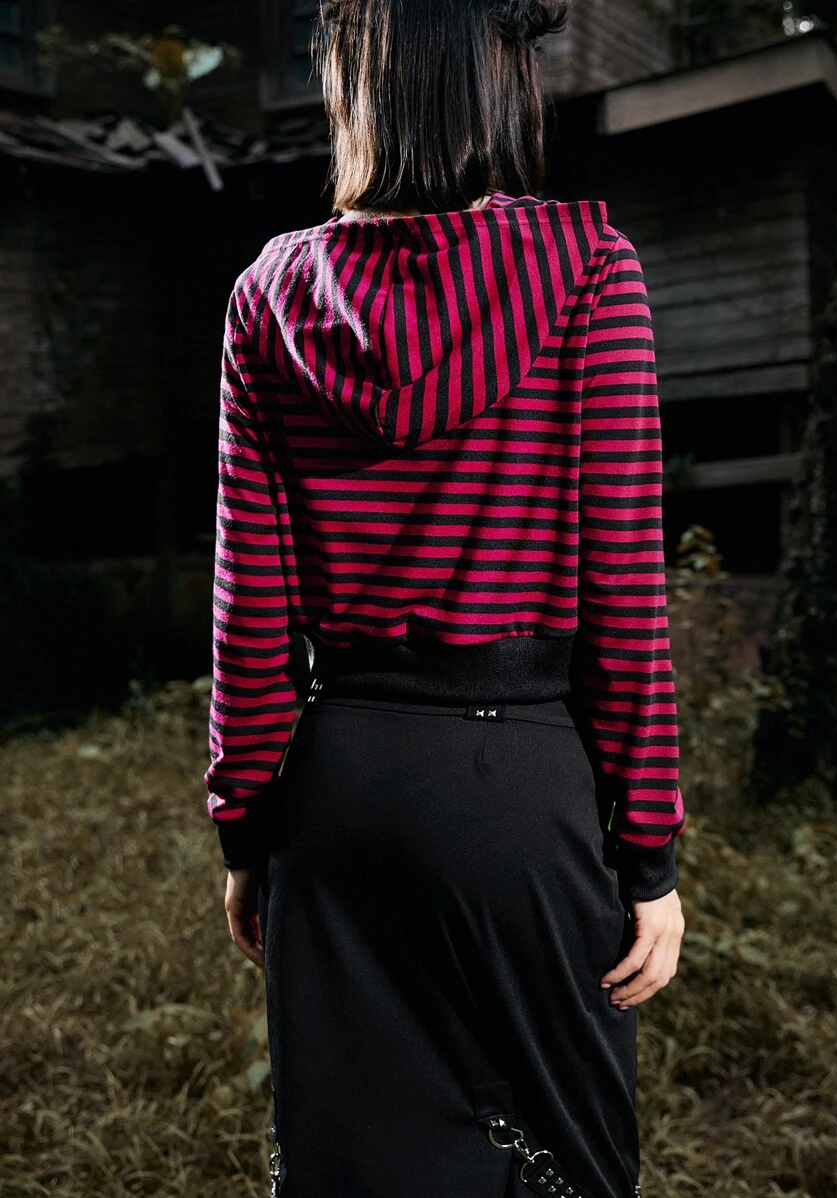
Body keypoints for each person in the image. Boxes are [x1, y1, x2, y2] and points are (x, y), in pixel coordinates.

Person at [204, 1, 686, 1194]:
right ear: (494, 76)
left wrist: (249, 834)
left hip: (337, 793)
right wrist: (649, 857)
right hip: (522, 791)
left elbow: (247, 610)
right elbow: (626, 587)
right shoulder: (589, 271)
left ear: (354, 84)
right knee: (570, 1169)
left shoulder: (267, 295)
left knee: (356, 1167)